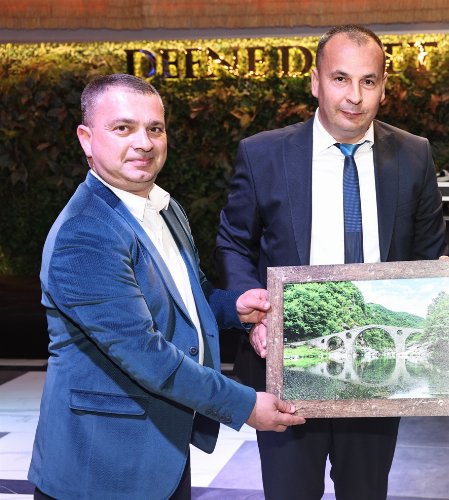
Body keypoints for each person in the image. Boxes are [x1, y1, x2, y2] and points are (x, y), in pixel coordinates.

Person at [27, 74, 305, 500]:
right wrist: (246, 405)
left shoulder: (165, 206)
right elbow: (145, 354)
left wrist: (233, 307)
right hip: (101, 467)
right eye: (123, 128)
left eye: (154, 128)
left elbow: (188, 296)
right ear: (86, 139)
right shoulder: (86, 233)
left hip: (161, 453)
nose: (144, 143)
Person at [215, 24, 446, 500]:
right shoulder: (263, 154)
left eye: (368, 81)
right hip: (282, 369)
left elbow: (427, 254)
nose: (354, 96)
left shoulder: (414, 155)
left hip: (375, 393)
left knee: (366, 491)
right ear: (316, 82)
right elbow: (234, 242)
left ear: (384, 87)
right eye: (341, 79)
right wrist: (250, 307)